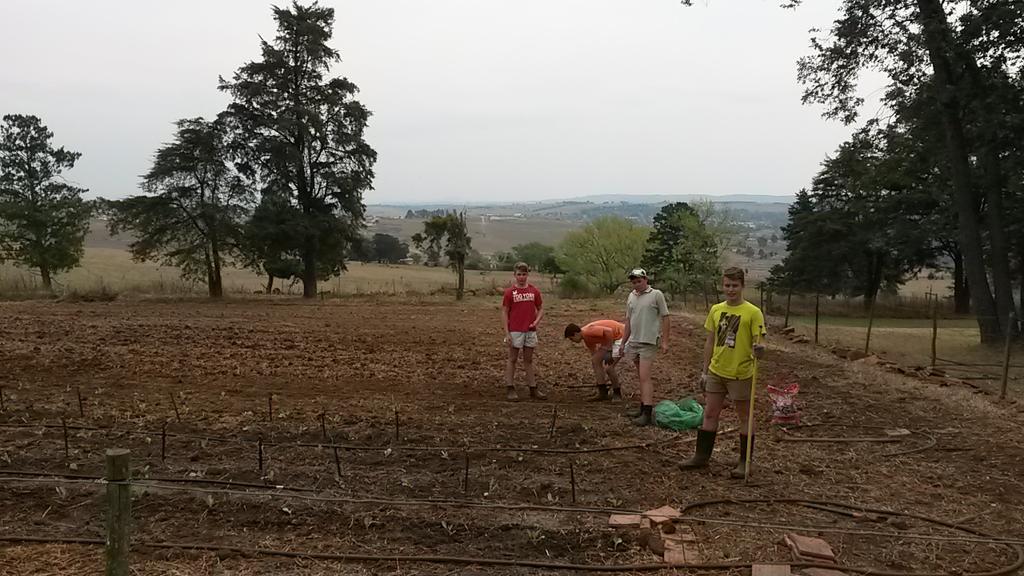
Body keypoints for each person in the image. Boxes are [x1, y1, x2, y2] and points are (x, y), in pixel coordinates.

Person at [679, 267, 766, 478]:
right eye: (727, 285)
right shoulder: (716, 310)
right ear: (722, 286)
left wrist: (760, 350)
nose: (730, 289)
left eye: (735, 285)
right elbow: (709, 342)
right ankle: (701, 456)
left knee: (744, 416)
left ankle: (745, 462)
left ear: (742, 286)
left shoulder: (753, 312)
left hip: (741, 372)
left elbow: (761, 343)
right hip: (716, 371)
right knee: (710, 413)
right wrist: (704, 371)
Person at [618, 268, 670, 426]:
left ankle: (647, 412)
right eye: (634, 282)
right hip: (634, 340)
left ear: (646, 279)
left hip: (648, 341)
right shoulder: (631, 296)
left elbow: (666, 317)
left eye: (639, 281)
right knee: (640, 376)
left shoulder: (656, 294)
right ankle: (643, 407)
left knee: (644, 376)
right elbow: (629, 321)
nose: (637, 284)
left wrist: (665, 341)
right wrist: (623, 342)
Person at [502, 262, 546, 401]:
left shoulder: (534, 291)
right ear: (514, 275)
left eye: (524, 274)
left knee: (528, 359)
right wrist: (507, 332)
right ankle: (510, 387)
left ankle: (533, 388)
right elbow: (504, 312)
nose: (521, 277)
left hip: (530, 330)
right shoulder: (510, 292)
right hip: (515, 329)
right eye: (519, 274)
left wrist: (536, 322)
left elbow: (541, 308)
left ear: (527, 275)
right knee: (513, 358)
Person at [564, 320, 625, 401]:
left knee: (609, 368)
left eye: (571, 339)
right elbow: (594, 354)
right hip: (610, 340)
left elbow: (608, 331)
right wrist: (600, 377)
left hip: (621, 336)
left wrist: (609, 351)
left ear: (576, 334)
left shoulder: (588, 331)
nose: (573, 341)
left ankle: (617, 393)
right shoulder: (587, 339)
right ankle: (602, 391)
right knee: (595, 360)